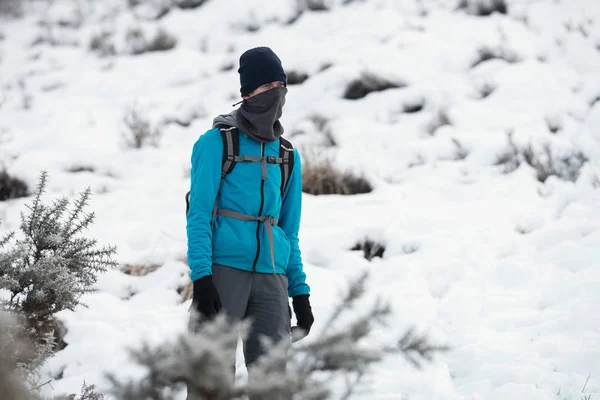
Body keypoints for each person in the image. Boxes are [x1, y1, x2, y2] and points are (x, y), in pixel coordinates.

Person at [185, 46, 314, 387]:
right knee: (210, 381)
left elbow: (289, 230)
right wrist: (201, 278)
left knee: (272, 384)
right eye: (267, 86)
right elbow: (198, 214)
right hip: (223, 273)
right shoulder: (217, 143)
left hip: (272, 278)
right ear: (247, 93)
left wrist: (299, 291)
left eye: (280, 85)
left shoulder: (287, 155)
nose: (276, 93)